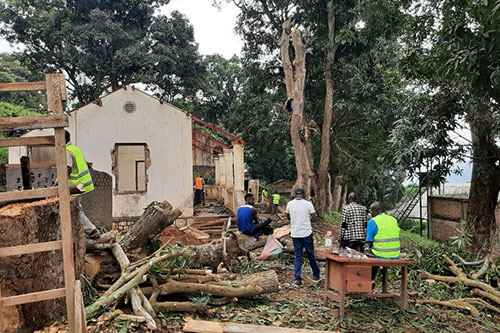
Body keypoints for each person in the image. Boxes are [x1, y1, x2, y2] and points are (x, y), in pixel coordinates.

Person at [65, 130, 100, 239]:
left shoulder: (66, 151)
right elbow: (87, 164)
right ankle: (83, 232)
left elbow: (67, 169)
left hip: (75, 186)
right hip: (84, 183)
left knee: (75, 209)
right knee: (75, 208)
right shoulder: (75, 149)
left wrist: (57, 184)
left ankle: (91, 231)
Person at [286, 187, 320, 286]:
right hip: (306, 233)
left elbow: (288, 217)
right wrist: (308, 217)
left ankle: (297, 279)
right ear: (304, 194)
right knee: (311, 254)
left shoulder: (289, 204)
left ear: (294, 194)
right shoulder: (308, 204)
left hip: (295, 233)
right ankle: (316, 274)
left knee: (298, 256)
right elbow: (314, 219)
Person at [365, 201, 400, 279]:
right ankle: (378, 275)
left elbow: (369, 241)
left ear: (377, 211)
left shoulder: (372, 221)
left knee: (365, 253)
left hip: (380, 253)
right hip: (395, 254)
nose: (370, 212)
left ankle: (369, 279)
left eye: (371, 210)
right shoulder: (393, 220)